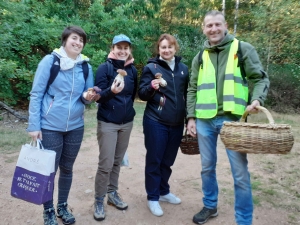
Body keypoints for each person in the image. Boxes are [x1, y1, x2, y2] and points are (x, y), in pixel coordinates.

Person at [186, 10, 270, 225]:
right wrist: (191, 117)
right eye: (209, 25)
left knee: (240, 174)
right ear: (203, 29)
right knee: (206, 168)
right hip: (204, 120)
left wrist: (257, 100)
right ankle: (210, 206)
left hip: (233, 121)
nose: (213, 29)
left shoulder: (242, 49)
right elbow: (193, 88)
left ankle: (244, 220)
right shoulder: (199, 57)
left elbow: (260, 79)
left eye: (217, 24)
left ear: (225, 26)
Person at [27, 26, 100, 225]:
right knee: (49, 171)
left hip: (75, 126)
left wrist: (89, 97)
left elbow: (87, 96)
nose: (78, 43)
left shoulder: (85, 66)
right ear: (65, 40)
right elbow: (36, 94)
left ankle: (62, 206)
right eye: (74, 39)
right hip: (50, 126)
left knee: (67, 168)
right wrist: (34, 125)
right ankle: (48, 210)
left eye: (81, 40)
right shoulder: (50, 62)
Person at [138, 34, 189, 217]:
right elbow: (142, 94)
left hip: (176, 123)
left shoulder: (183, 69)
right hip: (155, 121)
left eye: (170, 47)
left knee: (168, 161)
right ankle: (153, 197)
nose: (166, 50)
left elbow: (188, 95)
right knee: (155, 160)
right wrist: (152, 86)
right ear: (158, 49)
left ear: (175, 48)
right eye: (163, 47)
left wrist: (190, 118)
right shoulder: (151, 68)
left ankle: (163, 191)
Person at [93, 34, 137, 221]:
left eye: (126, 47)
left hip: (126, 123)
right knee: (106, 164)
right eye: (119, 47)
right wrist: (111, 91)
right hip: (108, 123)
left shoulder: (133, 70)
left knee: (117, 161)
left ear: (129, 50)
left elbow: (133, 95)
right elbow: (99, 97)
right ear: (112, 48)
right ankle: (98, 200)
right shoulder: (105, 68)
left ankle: (112, 193)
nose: (122, 50)